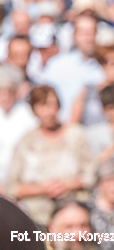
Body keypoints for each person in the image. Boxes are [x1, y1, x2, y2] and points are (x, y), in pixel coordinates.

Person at [5, 86, 95, 227]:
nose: (49, 112)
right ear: (34, 109)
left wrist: (66, 185)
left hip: (73, 216)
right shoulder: (26, 142)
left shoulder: (76, 135)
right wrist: (42, 189)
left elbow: (91, 174)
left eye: (53, 105)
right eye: (43, 106)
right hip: (36, 218)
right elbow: (11, 187)